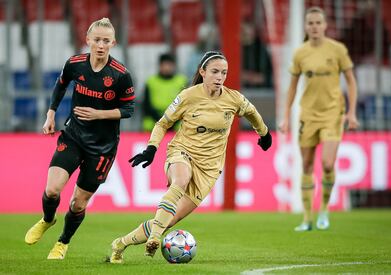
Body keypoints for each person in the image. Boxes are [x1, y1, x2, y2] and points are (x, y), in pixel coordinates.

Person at [108, 51, 272, 263]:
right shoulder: (188, 96)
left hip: (209, 169)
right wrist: (151, 148)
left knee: (166, 221)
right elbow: (162, 123)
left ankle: (120, 243)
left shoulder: (233, 99)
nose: (219, 77)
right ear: (202, 72)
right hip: (182, 152)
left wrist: (264, 133)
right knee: (180, 181)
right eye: (214, 72)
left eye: (224, 72)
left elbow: (252, 113)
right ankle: (156, 238)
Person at [24, 18, 135, 259]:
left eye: (106, 41)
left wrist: (99, 114)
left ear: (113, 43)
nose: (101, 45)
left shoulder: (120, 75)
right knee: (52, 190)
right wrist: (50, 113)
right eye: (97, 40)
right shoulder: (75, 64)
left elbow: (129, 110)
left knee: (78, 204)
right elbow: (60, 85)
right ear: (87, 40)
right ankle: (47, 219)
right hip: (74, 136)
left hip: (102, 148)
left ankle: (63, 242)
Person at [279, 7, 359, 232]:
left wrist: (351, 112)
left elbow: (351, 81)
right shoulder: (300, 53)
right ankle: (306, 218)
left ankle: (324, 210)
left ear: (325, 26)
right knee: (305, 164)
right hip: (308, 114)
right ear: (306, 27)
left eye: (318, 23)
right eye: (310, 23)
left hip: (333, 112)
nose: (314, 26)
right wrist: (286, 116)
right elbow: (292, 87)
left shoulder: (337, 49)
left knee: (327, 163)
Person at [142, 53, 187, 131]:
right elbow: (146, 105)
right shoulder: (151, 81)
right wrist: (161, 120)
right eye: (164, 65)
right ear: (160, 66)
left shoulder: (182, 81)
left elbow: (185, 105)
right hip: (154, 121)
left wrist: (172, 121)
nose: (167, 68)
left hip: (176, 121)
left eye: (169, 65)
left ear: (174, 66)